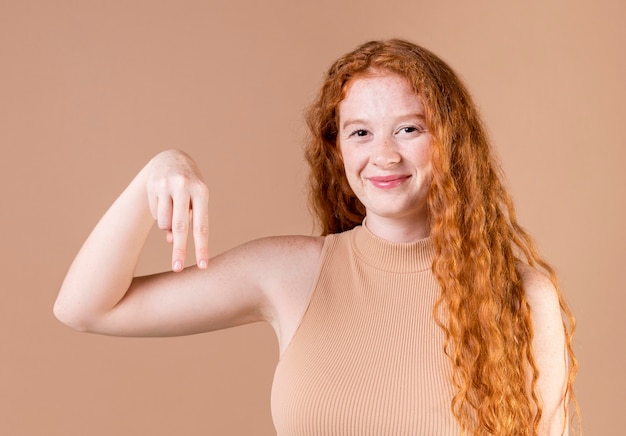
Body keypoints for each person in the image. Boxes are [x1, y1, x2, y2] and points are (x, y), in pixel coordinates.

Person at [54, 39, 577, 435]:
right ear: (338, 151)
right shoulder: (291, 273)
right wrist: (160, 169)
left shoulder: (524, 298)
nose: (385, 155)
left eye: (410, 129)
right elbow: (85, 308)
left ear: (453, 144)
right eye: (361, 132)